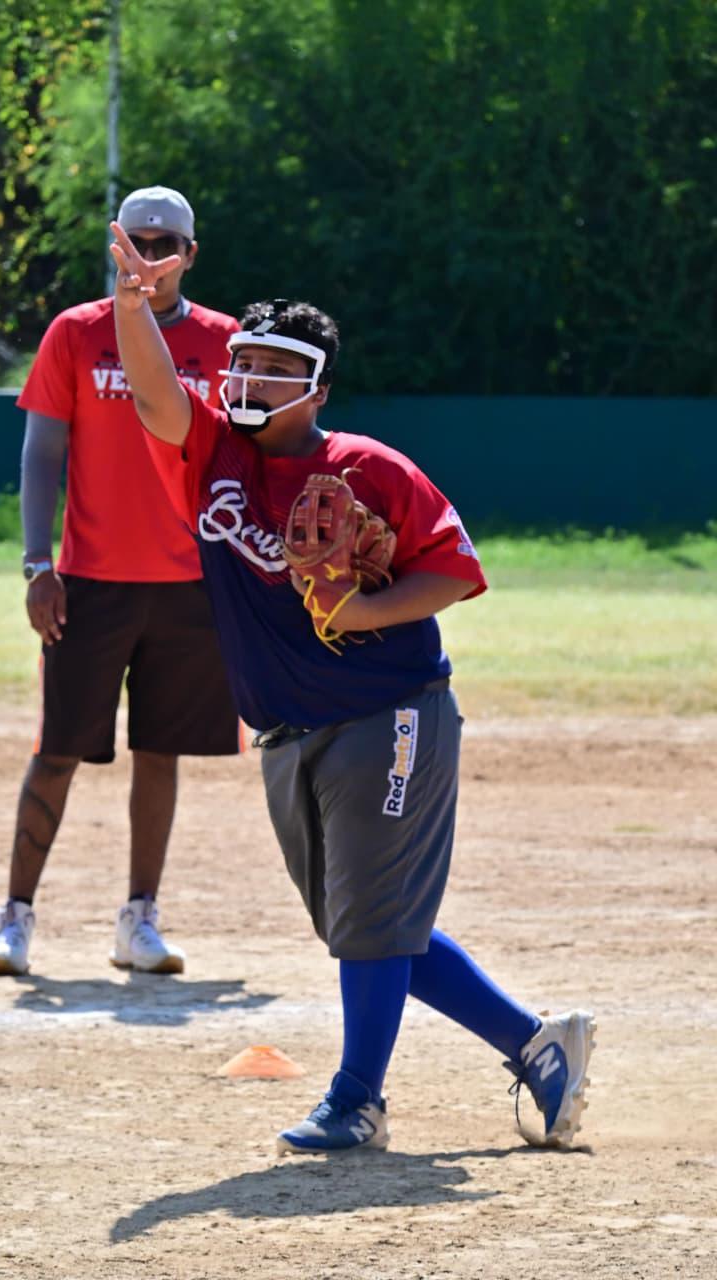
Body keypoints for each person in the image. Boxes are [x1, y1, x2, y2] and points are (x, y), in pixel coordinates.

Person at [108, 222, 596, 1153]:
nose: (247, 379)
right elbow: (159, 399)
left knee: (373, 924)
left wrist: (359, 612)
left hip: (389, 709)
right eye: (241, 361)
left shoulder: (364, 467)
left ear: (318, 388)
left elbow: (456, 571)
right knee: (366, 927)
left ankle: (357, 1102)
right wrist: (137, 307)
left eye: (274, 367)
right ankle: (539, 1048)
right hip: (287, 730)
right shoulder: (216, 452)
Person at [0, 186, 242, 979]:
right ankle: (15, 917)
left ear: (190, 254)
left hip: (190, 585)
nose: (151, 255)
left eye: (167, 243)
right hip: (89, 581)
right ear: (116, 245)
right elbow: (41, 454)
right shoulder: (76, 333)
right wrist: (36, 564)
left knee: (161, 751)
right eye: (138, 239)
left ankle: (139, 920)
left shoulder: (223, 343)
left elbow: (239, 463)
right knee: (58, 749)